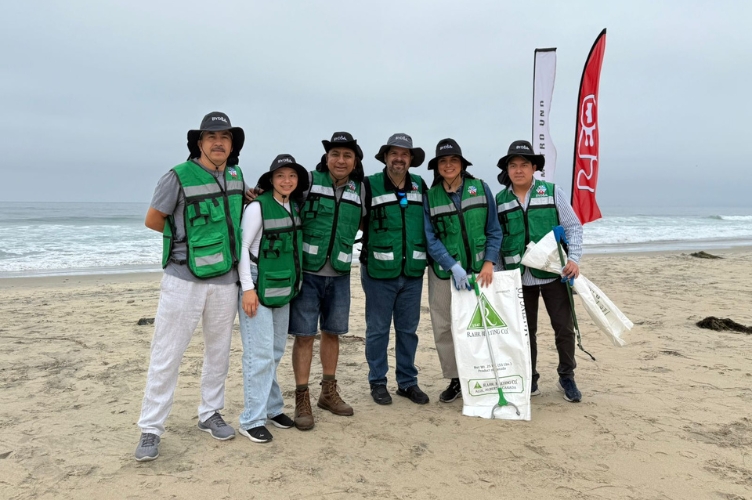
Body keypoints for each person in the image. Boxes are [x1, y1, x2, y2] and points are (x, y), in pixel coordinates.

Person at [135, 111, 247, 461]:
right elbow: (154, 220)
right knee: (166, 353)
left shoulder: (236, 176)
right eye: (211, 137)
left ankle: (210, 413)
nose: (218, 142)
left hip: (225, 281)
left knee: (219, 352)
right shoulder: (177, 176)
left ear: (232, 145)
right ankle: (151, 428)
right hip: (183, 279)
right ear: (199, 143)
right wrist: (189, 243)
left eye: (225, 137)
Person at [494, 140, 584, 402]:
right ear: (507, 170)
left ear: (534, 167)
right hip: (518, 276)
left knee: (564, 328)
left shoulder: (553, 192)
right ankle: (530, 377)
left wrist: (574, 259)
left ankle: (566, 376)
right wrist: (499, 273)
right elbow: (495, 239)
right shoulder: (499, 200)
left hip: (554, 273)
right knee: (525, 331)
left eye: (524, 165)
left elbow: (573, 226)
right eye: (513, 165)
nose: (518, 170)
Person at [289, 132, 365, 430]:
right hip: (308, 273)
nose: (340, 160)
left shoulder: (360, 189)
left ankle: (328, 393)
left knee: (333, 333)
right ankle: (302, 398)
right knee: (304, 336)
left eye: (347, 155)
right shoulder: (308, 180)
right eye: (335, 154)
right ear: (327, 157)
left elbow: (365, 222)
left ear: (355, 160)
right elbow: (282, 206)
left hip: (341, 273)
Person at [423, 138, 502, 403]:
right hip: (443, 273)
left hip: (481, 271)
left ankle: (485, 374)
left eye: (453, 160)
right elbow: (430, 238)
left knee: (484, 324)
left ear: (462, 164)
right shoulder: (430, 196)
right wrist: (452, 266)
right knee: (444, 327)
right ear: (437, 167)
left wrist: (489, 262)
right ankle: (455, 379)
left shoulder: (481, 187)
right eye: (443, 161)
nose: (448, 165)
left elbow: (494, 229)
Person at [236, 154, 308, 443]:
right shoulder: (257, 206)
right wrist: (247, 288)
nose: (286, 181)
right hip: (257, 284)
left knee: (275, 351)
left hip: (283, 285)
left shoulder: (294, 206)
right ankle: (251, 419)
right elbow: (242, 247)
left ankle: (272, 408)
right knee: (259, 354)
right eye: (280, 176)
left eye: (291, 176)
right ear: (271, 179)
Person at [360, 133, 430, 406]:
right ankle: (378, 381)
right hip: (378, 272)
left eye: (404, 154)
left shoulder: (421, 185)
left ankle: (407, 382)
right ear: (386, 157)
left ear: (410, 159)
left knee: (408, 330)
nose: (399, 158)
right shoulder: (369, 185)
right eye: (394, 153)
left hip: (412, 272)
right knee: (378, 330)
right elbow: (356, 219)